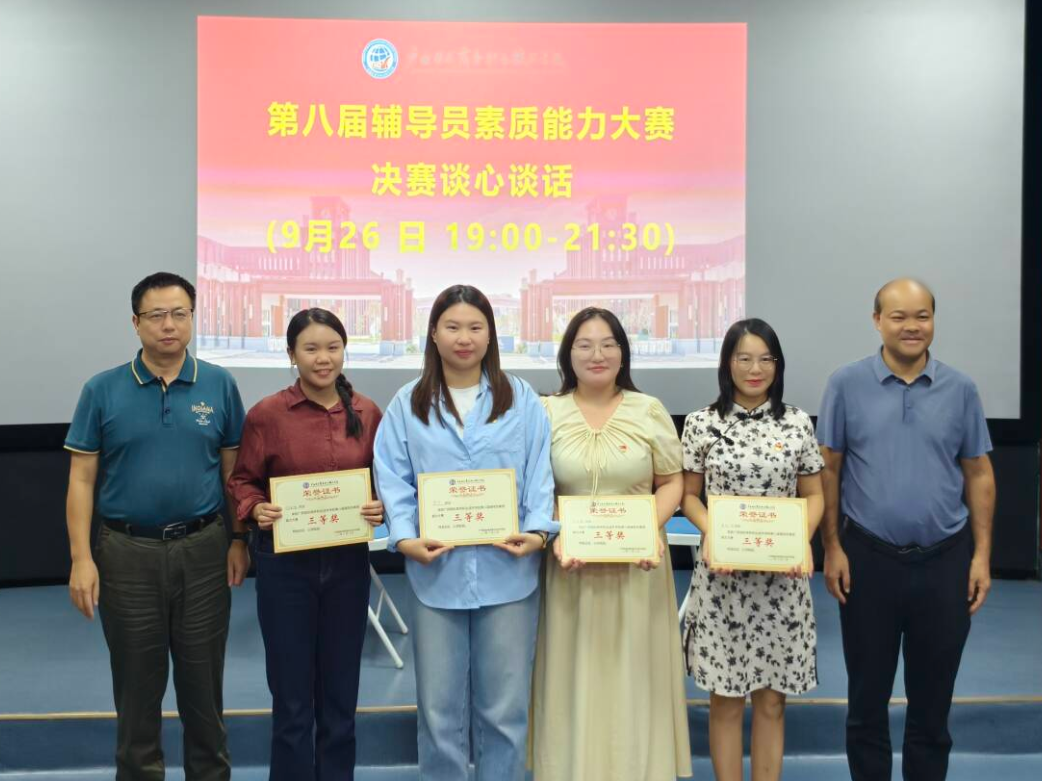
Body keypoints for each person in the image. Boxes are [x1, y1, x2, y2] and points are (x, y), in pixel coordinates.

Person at [65, 272, 248, 781]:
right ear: (136, 322)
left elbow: (232, 473)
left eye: (179, 314)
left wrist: (238, 538)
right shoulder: (102, 389)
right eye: (156, 315)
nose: (169, 325)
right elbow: (81, 479)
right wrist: (81, 558)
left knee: (204, 692)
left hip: (205, 550)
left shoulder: (219, 384)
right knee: (136, 691)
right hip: (126, 554)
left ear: (192, 317)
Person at [373, 284, 555, 781]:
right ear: (433, 333)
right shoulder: (407, 403)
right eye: (452, 326)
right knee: (439, 712)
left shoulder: (520, 398)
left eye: (475, 327)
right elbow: (393, 476)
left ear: (491, 334)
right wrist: (404, 537)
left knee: (505, 712)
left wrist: (538, 532)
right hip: (437, 575)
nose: (464, 338)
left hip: (509, 573)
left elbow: (539, 471)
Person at [817, 278, 995, 781]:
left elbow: (979, 474)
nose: (911, 326)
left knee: (933, 709)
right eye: (898, 316)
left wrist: (981, 555)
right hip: (867, 561)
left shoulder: (961, 389)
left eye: (922, 316)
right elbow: (828, 468)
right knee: (866, 704)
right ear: (877, 321)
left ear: (933, 321)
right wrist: (832, 546)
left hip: (945, 562)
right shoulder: (845, 384)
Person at [528, 307, 692, 781]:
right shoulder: (545, 412)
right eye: (584, 345)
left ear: (623, 353)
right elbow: (537, 489)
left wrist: (644, 531)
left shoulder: (649, 410)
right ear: (568, 354)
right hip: (570, 566)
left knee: (633, 673)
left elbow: (671, 481)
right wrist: (559, 532)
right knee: (572, 672)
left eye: (608, 344)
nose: (596, 354)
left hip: (638, 570)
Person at [227, 308, 384, 781]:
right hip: (285, 567)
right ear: (291, 354)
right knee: (292, 699)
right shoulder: (267, 414)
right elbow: (243, 480)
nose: (323, 358)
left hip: (347, 565)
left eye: (333, 347)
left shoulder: (368, 412)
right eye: (311, 349)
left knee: (340, 696)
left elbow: (387, 482)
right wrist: (256, 508)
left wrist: (381, 506)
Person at [680, 317, 824, 781]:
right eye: (744, 358)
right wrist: (715, 533)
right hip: (722, 581)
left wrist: (800, 539)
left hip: (780, 582)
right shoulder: (702, 423)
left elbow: (814, 495)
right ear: (727, 363)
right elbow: (688, 496)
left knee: (772, 700)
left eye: (766, 359)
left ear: (778, 365)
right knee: (724, 700)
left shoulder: (797, 422)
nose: (755, 369)